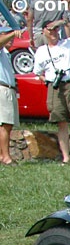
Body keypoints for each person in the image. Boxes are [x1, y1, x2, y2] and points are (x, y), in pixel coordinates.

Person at [33, 17, 70, 165]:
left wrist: (65, 23)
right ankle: (65, 158)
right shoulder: (41, 51)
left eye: (55, 29)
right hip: (54, 87)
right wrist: (47, 79)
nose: (53, 32)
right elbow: (37, 72)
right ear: (43, 32)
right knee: (61, 122)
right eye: (50, 29)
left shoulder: (68, 43)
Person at [0, 25, 23, 166]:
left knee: (7, 125)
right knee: (5, 124)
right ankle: (6, 157)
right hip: (2, 88)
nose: (11, 38)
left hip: (9, 88)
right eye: (6, 34)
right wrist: (13, 33)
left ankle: (2, 155)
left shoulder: (6, 53)